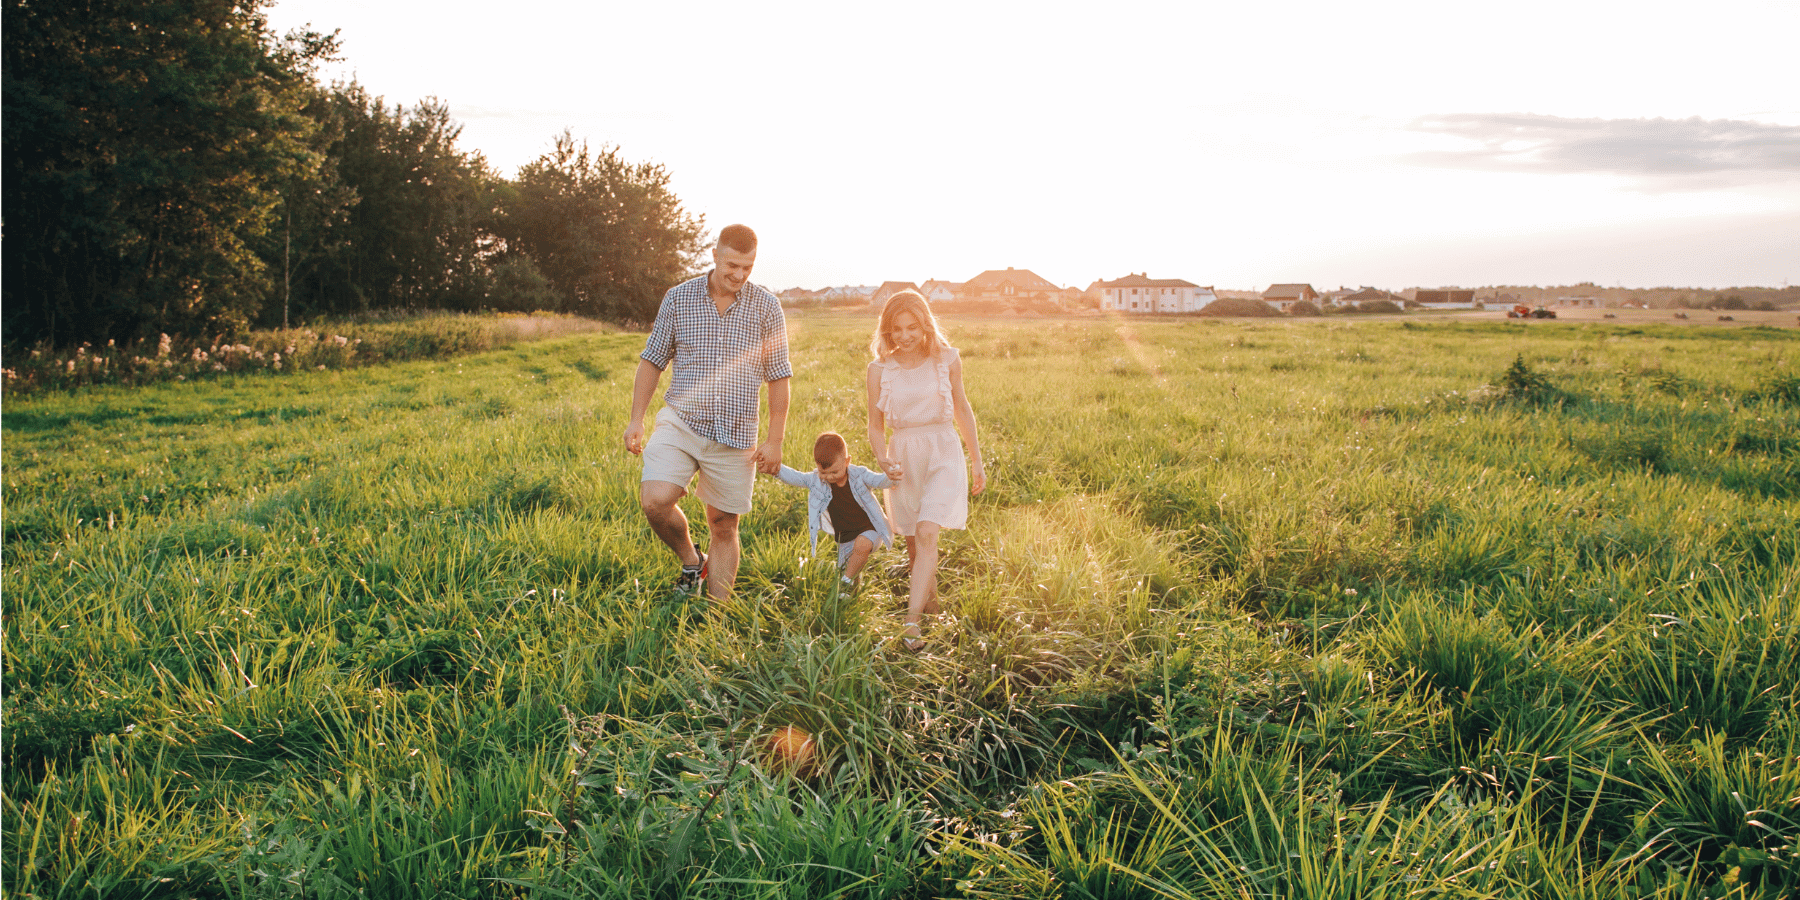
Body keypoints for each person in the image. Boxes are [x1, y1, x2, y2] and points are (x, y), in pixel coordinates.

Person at [623, 225, 790, 599]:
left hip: (735, 433)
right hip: (681, 421)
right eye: (732, 265)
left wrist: (775, 440)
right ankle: (692, 560)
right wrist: (636, 418)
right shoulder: (679, 298)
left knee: (724, 525)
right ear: (715, 255)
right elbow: (652, 360)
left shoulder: (767, 307)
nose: (739, 275)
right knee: (655, 500)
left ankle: (717, 617)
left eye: (747, 267)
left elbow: (779, 376)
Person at [866, 290, 985, 651]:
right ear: (887, 330)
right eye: (897, 329)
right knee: (915, 544)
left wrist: (977, 460)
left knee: (928, 532)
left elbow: (962, 408)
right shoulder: (879, 370)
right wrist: (881, 457)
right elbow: (875, 425)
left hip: (943, 450)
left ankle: (911, 623)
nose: (904, 336)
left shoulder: (947, 360)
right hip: (903, 454)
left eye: (912, 328)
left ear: (925, 326)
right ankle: (932, 610)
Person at [772, 431, 897, 588]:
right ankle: (850, 595)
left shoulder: (859, 475)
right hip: (845, 538)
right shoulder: (816, 480)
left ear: (847, 461)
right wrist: (776, 470)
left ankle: (846, 583)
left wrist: (892, 476)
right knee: (848, 575)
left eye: (834, 472)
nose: (829, 477)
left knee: (861, 545)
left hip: (870, 529)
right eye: (823, 472)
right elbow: (797, 477)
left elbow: (878, 481)